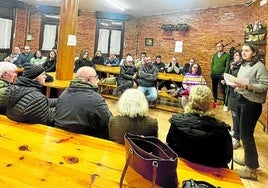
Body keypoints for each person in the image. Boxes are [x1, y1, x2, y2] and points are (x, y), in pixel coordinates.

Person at [166, 85, 233, 168]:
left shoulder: (177, 122)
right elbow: (227, 158)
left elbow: (169, 145)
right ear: (211, 104)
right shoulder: (222, 131)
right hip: (211, 173)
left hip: (182, 167)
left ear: (190, 101)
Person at [233, 43, 268, 180]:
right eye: (242, 50)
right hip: (242, 99)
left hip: (252, 104)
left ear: (254, 53)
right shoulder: (244, 64)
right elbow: (243, 81)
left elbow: (265, 85)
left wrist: (247, 86)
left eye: (247, 50)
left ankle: (251, 170)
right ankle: (249, 160)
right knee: (243, 133)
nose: (243, 53)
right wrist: (236, 84)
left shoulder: (259, 66)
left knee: (247, 135)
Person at [54, 66, 112, 139]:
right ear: (89, 79)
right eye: (96, 77)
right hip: (84, 140)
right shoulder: (96, 99)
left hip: (59, 136)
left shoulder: (64, 93)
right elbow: (109, 123)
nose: (98, 80)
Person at [225, 50, 242, 150]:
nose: (235, 57)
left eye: (237, 55)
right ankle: (235, 130)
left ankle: (237, 137)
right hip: (231, 93)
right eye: (234, 55)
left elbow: (243, 80)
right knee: (233, 114)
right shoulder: (234, 65)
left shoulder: (242, 67)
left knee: (237, 116)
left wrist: (233, 82)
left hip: (237, 93)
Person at [211, 42, 230, 111]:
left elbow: (227, 65)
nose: (218, 48)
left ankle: (225, 104)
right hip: (214, 74)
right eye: (217, 46)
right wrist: (212, 71)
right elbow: (212, 64)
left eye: (220, 46)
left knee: (223, 89)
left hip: (221, 75)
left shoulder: (226, 56)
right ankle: (215, 100)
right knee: (214, 88)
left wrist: (225, 73)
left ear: (223, 47)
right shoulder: (215, 55)